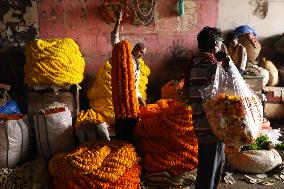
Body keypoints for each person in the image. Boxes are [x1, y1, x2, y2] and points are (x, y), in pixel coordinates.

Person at [184, 26, 229, 189]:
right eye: (220, 43)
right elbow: (229, 92)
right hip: (213, 126)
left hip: (199, 122)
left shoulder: (193, 63)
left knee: (206, 168)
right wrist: (227, 62)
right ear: (216, 44)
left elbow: (188, 92)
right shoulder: (213, 66)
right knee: (210, 173)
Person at [111, 9, 146, 106]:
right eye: (141, 52)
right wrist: (118, 22)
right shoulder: (124, 56)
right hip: (121, 96)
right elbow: (115, 38)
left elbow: (134, 84)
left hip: (131, 97)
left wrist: (139, 98)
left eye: (143, 54)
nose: (142, 55)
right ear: (135, 49)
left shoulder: (137, 63)